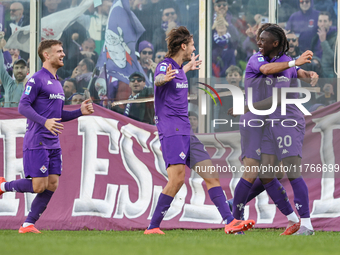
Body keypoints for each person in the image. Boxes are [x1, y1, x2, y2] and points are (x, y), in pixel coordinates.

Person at [145, 26, 255, 235]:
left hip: (186, 131)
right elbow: (159, 78)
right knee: (176, 180)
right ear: (183, 46)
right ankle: (153, 227)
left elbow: (176, 75)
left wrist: (187, 68)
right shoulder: (165, 66)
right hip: (172, 131)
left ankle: (229, 222)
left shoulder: (178, 69)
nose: (194, 48)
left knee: (212, 176)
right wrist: (162, 79)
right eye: (192, 45)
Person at [228, 23, 318, 235]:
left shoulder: (286, 65)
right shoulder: (258, 59)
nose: (258, 43)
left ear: (275, 44)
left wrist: (304, 72)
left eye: (263, 40)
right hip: (264, 122)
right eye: (258, 39)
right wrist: (300, 68)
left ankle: (306, 224)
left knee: (291, 171)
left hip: (287, 120)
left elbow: (277, 98)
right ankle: (289, 219)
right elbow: (269, 69)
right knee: (266, 173)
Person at [0, 39, 94, 234]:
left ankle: (28, 224)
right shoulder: (37, 79)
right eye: (59, 51)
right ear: (46, 55)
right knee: (38, 186)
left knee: (52, 183)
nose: (63, 54)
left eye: (62, 50)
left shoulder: (57, 82)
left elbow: (59, 115)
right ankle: (3, 185)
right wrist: (45, 122)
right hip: (37, 140)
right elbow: (23, 106)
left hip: (53, 142)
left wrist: (80, 111)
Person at [0, 43, 28, 107]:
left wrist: (26, 89)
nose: (19, 70)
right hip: (6, 117)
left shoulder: (30, 86)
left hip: (21, 117)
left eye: (22, 67)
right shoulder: (8, 83)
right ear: (13, 69)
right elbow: (1, 68)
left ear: (27, 70)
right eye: (16, 68)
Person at [310, 11, 337, 78]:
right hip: (316, 72)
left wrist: (323, 41)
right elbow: (312, 54)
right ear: (317, 23)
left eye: (325, 21)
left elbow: (333, 60)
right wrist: (315, 60)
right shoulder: (315, 37)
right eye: (320, 21)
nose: (322, 24)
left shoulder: (336, 38)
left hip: (330, 75)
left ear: (330, 23)